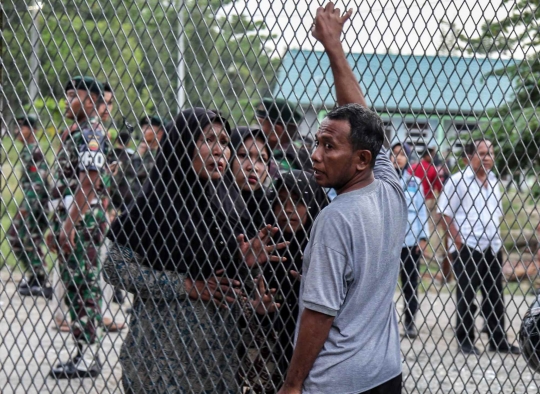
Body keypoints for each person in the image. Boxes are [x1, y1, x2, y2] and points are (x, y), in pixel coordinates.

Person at [104, 108, 286, 392]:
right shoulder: (154, 204)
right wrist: (186, 286)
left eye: (225, 142)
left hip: (215, 360)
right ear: (183, 144)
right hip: (159, 358)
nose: (219, 151)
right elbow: (115, 268)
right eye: (208, 139)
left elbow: (231, 284)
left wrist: (245, 261)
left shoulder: (231, 206)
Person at [278, 4, 406, 394]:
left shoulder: (334, 219)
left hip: (337, 382)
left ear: (360, 159)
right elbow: (364, 119)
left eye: (329, 146)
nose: (315, 155)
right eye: (316, 142)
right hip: (384, 372)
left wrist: (293, 384)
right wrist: (334, 47)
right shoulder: (390, 189)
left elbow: (318, 314)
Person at [47, 76, 109, 379]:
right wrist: (58, 223)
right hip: (71, 218)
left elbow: (89, 182)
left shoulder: (91, 134)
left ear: (89, 102)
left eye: (73, 94)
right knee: (74, 285)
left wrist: (68, 226)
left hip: (82, 221)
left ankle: (87, 356)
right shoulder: (76, 134)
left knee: (83, 284)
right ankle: (82, 351)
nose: (66, 100)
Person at [438, 139, 520, 355]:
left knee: (495, 295)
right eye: (482, 153)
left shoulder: (494, 181)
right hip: (468, 246)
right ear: (468, 158)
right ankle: (465, 341)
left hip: (492, 247)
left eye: (490, 153)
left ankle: (498, 340)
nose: (487, 157)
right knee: (466, 295)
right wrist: (458, 242)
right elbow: (444, 214)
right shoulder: (458, 181)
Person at [7, 114, 52, 298]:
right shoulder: (28, 150)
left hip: (36, 206)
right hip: (32, 204)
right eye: (17, 127)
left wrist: (26, 208)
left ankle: (40, 280)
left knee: (26, 239)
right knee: (21, 239)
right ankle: (36, 277)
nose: (18, 131)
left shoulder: (34, 152)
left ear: (33, 131)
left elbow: (38, 183)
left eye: (23, 128)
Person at [390, 142, 428, 338]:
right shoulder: (382, 180)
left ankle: (410, 322)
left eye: (402, 154)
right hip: (387, 241)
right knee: (383, 284)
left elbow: (422, 211)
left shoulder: (415, 182)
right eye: (395, 154)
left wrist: (423, 237)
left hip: (410, 241)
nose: (398, 158)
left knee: (410, 284)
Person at [256, 98, 312, 176]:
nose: (254, 129)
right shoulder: (300, 151)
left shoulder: (275, 166)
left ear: (275, 131)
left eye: (260, 124)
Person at [410, 147, 444, 260]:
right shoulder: (432, 169)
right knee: (432, 226)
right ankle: (435, 253)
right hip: (428, 199)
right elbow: (439, 186)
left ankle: (418, 249)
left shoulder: (413, 167)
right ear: (426, 155)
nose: (434, 157)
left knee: (415, 224)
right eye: (432, 154)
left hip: (413, 199)